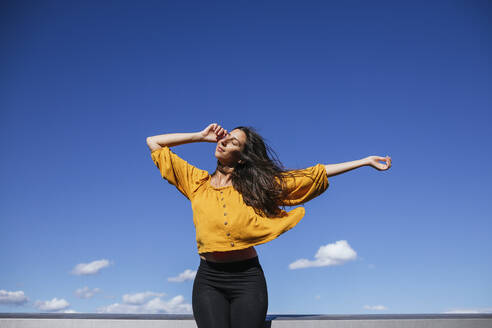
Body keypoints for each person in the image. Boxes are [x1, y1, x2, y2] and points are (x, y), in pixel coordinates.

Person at [146, 123, 392, 328]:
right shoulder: (196, 183)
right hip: (209, 279)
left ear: (242, 158)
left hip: (247, 279)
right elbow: (154, 142)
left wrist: (363, 161)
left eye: (232, 142)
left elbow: (311, 175)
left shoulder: (258, 186)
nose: (223, 142)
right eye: (225, 138)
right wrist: (200, 136)